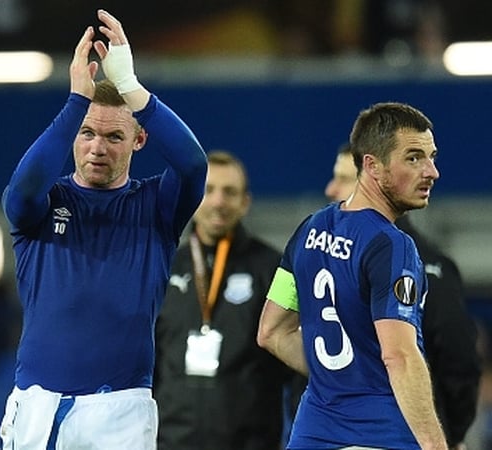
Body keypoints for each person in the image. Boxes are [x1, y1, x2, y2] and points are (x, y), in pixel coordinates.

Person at [0, 9, 207, 449]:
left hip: (122, 412)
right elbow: (20, 191)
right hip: (38, 405)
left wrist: (131, 87)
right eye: (87, 132)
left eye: (114, 137)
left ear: (139, 140)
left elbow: (192, 165)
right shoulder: (46, 202)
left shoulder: (156, 205)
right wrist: (76, 101)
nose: (97, 147)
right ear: (73, 134)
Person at [256, 102, 448, 449]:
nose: (432, 171)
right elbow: (400, 356)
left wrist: (340, 382)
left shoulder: (308, 229)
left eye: (432, 156)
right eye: (414, 158)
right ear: (372, 165)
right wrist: (435, 445)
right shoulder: (392, 245)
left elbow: (271, 332)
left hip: (312, 432)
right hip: (383, 434)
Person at [323, 143, 481, 449]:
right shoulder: (324, 256)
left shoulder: (431, 268)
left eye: (343, 178)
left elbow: (458, 363)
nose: (331, 189)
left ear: (371, 181)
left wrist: (447, 434)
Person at [153, 150, 290, 450]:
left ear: (245, 203)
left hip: (250, 442)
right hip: (172, 442)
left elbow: (291, 366)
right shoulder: (166, 268)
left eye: (230, 192)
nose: (218, 201)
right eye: (209, 190)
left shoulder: (273, 269)